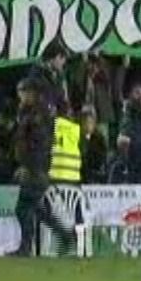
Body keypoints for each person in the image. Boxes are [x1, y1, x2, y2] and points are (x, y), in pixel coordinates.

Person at [8, 77, 56, 257]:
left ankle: (26, 247)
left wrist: (28, 167)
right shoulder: (29, 113)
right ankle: (67, 235)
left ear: (31, 93)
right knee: (35, 208)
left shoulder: (38, 115)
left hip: (36, 168)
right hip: (35, 167)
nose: (20, 96)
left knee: (24, 208)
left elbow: (38, 145)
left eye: (22, 92)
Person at [43, 102, 83, 255]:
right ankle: (79, 245)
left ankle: (61, 237)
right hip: (74, 179)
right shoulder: (75, 129)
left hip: (55, 178)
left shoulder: (51, 127)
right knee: (77, 210)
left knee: (38, 207)